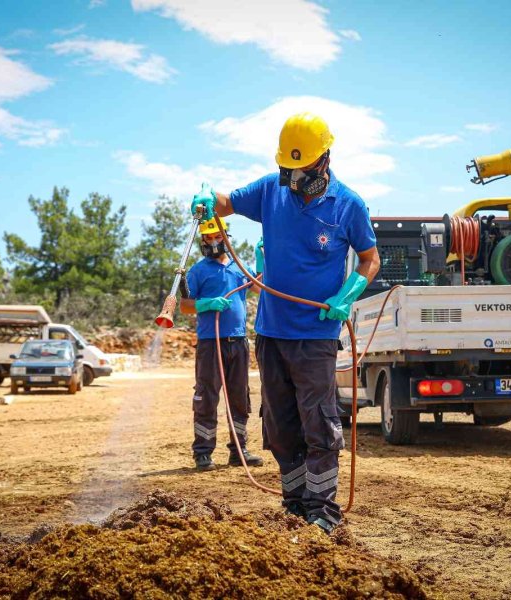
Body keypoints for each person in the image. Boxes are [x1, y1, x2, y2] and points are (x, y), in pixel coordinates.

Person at [189, 112, 381, 532]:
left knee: (319, 422)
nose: (293, 178)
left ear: (324, 160)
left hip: (315, 334)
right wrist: (206, 195)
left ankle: (323, 513)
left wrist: (346, 295)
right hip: (270, 333)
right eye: (287, 169)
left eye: (302, 169)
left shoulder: (349, 204)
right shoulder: (269, 191)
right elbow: (226, 203)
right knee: (278, 424)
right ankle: (295, 504)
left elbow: (370, 259)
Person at [180, 216, 264, 472]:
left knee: (239, 398)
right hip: (210, 343)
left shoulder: (239, 268)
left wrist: (261, 259)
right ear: (202, 241)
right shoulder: (197, 271)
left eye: (218, 237)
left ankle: (239, 451)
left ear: (226, 238)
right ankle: (203, 453)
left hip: (238, 342)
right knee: (206, 397)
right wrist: (206, 303)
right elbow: (184, 306)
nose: (214, 242)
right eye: (208, 238)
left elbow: (260, 287)